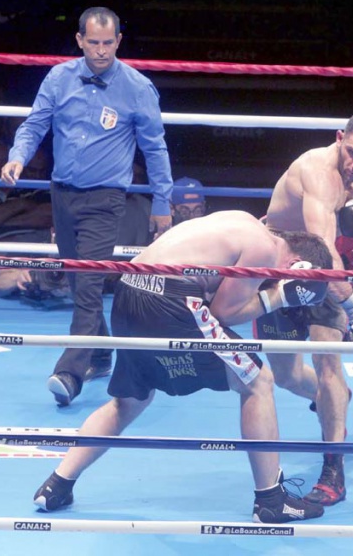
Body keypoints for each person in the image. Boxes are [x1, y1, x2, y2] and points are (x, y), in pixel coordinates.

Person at [33, 211, 333, 524]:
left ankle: (57, 485)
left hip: (128, 290)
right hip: (170, 298)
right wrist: (280, 296)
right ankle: (271, 501)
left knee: (130, 401)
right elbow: (224, 313)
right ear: (298, 267)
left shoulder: (244, 223)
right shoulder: (266, 249)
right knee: (257, 381)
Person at [2, 6, 174, 407]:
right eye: (93, 42)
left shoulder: (137, 87)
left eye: (108, 43)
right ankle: (100, 353)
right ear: (79, 40)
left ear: (119, 41)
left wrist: (162, 202)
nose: (100, 51)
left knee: (89, 282)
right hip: (62, 194)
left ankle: (70, 373)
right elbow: (35, 124)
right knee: (79, 281)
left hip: (105, 198)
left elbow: (155, 148)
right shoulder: (59, 78)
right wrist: (17, 157)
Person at [259, 111, 353, 507]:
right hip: (285, 258)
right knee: (285, 376)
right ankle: (334, 398)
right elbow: (320, 253)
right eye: (351, 153)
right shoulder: (317, 170)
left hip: (335, 256)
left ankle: (333, 468)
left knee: (327, 361)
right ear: (339, 137)